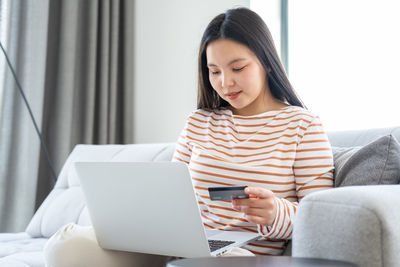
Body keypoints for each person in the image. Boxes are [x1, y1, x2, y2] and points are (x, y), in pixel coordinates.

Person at [44, 7, 334, 266]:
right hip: (173, 245)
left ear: (267, 62)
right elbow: (170, 195)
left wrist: (275, 212)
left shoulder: (302, 125)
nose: (225, 82)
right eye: (214, 71)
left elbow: (323, 219)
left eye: (238, 68)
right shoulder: (199, 122)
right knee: (65, 247)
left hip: (240, 254)